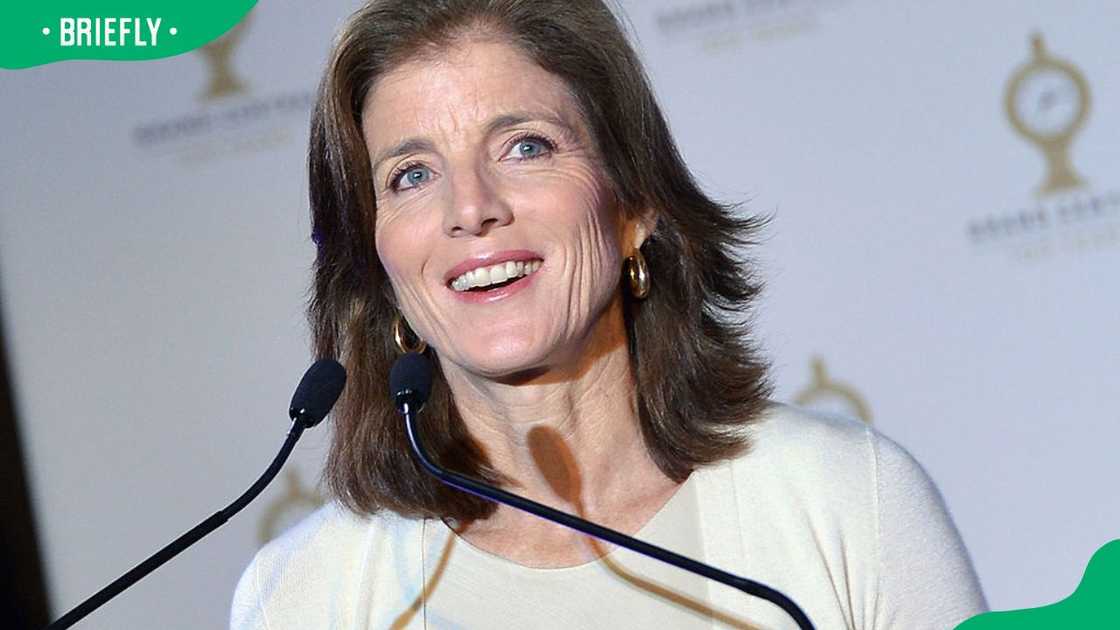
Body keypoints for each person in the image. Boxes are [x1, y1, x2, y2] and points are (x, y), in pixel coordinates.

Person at [231, 0, 988, 627]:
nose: (471, 209)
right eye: (412, 174)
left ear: (634, 203)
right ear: (377, 258)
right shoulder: (304, 595)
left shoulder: (848, 499)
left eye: (525, 146)